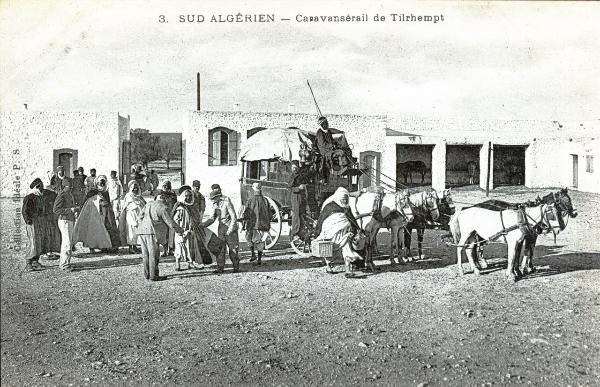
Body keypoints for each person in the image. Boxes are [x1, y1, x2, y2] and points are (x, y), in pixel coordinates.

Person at [314, 187, 365, 278]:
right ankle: (336, 267)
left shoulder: (340, 207)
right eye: (343, 199)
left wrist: (357, 229)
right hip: (334, 233)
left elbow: (351, 219)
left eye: (346, 199)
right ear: (338, 198)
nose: (345, 201)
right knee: (337, 248)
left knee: (341, 248)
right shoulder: (331, 206)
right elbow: (322, 220)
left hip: (340, 233)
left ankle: (342, 268)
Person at [135, 192, 185, 281]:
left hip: (142, 231)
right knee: (154, 255)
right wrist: (180, 230)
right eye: (170, 200)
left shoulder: (149, 203)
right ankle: (154, 276)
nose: (170, 203)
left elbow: (139, 217)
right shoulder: (163, 207)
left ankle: (147, 275)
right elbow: (170, 223)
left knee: (145, 255)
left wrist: (142, 225)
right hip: (152, 232)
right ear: (166, 199)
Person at [72, 175, 121, 252]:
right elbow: (86, 204)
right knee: (93, 230)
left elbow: (108, 203)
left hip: (105, 214)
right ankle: (92, 247)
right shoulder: (92, 192)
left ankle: (105, 246)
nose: (102, 185)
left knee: (108, 228)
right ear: (97, 183)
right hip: (94, 215)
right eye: (100, 183)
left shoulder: (105, 192)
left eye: (103, 183)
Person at [22, 178, 52, 271]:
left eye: (41, 186)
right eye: (38, 187)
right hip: (32, 223)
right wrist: (28, 221)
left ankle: (35, 261)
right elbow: (24, 211)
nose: (40, 189)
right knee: (33, 241)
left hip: (41, 222)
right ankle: (28, 263)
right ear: (34, 188)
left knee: (40, 241)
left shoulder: (42, 196)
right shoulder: (29, 198)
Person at [209, 185, 240, 273]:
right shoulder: (215, 205)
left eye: (214, 199)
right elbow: (212, 218)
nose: (213, 201)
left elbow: (234, 217)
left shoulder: (227, 202)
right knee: (220, 249)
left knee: (233, 249)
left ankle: (236, 267)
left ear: (218, 197)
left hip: (230, 228)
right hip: (221, 229)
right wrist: (202, 225)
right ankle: (220, 268)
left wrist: (230, 230)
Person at [172, 186, 204, 270]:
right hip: (181, 231)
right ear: (183, 196)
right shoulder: (179, 207)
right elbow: (175, 220)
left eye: (190, 195)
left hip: (190, 230)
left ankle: (190, 263)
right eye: (186, 196)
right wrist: (179, 231)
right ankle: (177, 264)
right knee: (179, 247)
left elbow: (196, 218)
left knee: (190, 248)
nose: (188, 197)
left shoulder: (193, 206)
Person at [53, 178, 78, 271]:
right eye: (69, 186)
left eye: (71, 185)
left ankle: (67, 262)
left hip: (70, 220)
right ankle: (64, 264)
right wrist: (70, 210)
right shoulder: (62, 195)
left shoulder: (70, 194)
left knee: (70, 242)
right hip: (64, 221)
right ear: (65, 186)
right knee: (66, 243)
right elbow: (56, 210)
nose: (71, 187)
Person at [243, 182, 271, 264]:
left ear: (253, 188)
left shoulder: (250, 200)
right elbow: (270, 214)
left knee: (249, 238)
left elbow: (246, 213)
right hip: (263, 225)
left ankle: (252, 255)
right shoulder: (265, 200)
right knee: (260, 241)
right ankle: (259, 259)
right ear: (260, 188)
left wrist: (244, 219)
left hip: (252, 225)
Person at [118, 180, 146, 253]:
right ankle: (130, 248)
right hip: (131, 215)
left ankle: (135, 246)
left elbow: (143, 204)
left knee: (137, 230)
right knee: (131, 230)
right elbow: (125, 207)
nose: (135, 189)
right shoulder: (128, 196)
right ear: (130, 188)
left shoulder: (139, 196)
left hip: (138, 215)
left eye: (136, 187)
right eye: (133, 187)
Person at [155, 181, 177, 256]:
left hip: (171, 216)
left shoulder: (173, 195)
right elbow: (156, 206)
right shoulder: (159, 195)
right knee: (164, 234)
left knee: (171, 234)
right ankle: (164, 250)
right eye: (164, 186)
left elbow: (175, 205)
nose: (166, 187)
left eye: (168, 186)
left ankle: (171, 250)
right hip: (162, 217)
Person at [288, 161, 307, 241]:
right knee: (296, 214)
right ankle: (294, 233)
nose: (295, 169)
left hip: (301, 196)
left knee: (302, 214)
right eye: (293, 167)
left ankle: (301, 232)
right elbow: (290, 188)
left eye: (296, 167)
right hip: (295, 196)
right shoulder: (292, 176)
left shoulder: (300, 175)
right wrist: (298, 188)